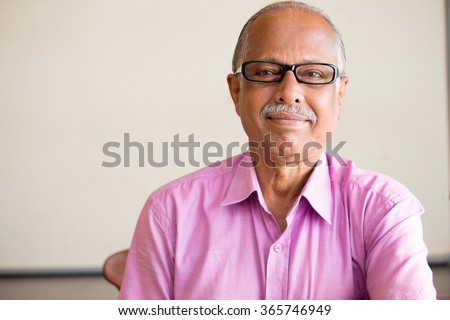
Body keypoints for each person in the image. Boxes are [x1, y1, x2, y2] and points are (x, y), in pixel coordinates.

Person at [119, 1, 436, 299]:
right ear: (236, 92)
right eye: (267, 72)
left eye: (313, 74)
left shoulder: (384, 211)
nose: (289, 93)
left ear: (339, 96)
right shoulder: (170, 212)